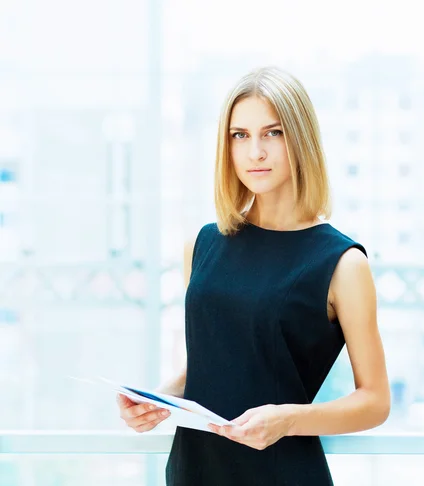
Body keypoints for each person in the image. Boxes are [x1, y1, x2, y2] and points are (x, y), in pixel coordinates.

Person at [116, 66, 390, 485]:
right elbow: (214, 364)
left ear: (300, 140)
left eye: (273, 133)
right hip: (194, 470)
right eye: (239, 135)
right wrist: (160, 400)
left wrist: (288, 419)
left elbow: (375, 401)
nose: (254, 152)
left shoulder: (343, 263)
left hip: (282, 473)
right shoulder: (205, 243)